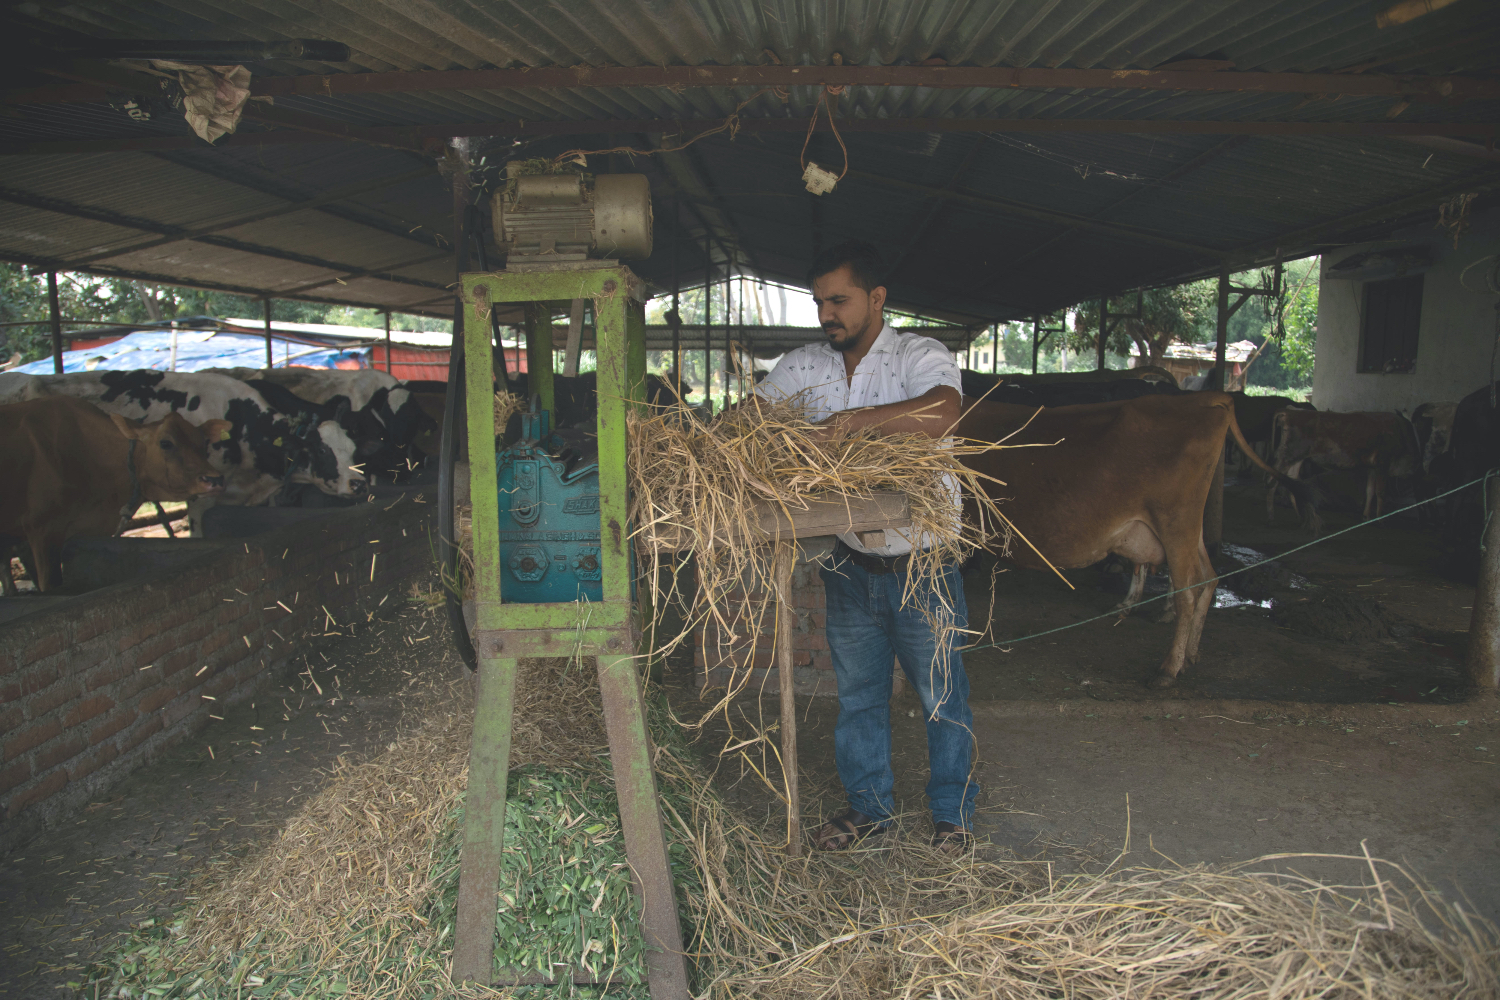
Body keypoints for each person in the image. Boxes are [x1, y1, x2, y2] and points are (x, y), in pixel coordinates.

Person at [752, 241, 977, 853]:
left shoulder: (917, 356)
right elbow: (751, 421)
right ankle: (869, 812)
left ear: (876, 299)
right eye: (821, 301)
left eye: (840, 300)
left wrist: (850, 424)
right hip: (849, 563)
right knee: (857, 698)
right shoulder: (804, 367)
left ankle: (951, 817)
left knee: (941, 695)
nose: (828, 314)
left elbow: (944, 413)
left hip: (924, 563)